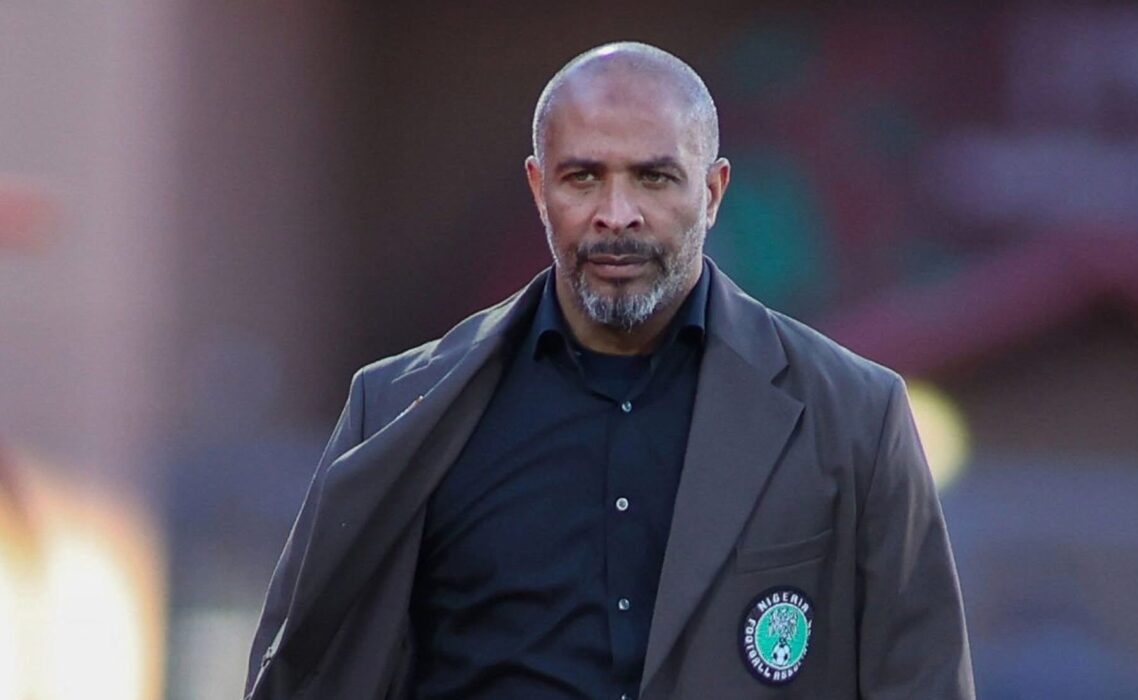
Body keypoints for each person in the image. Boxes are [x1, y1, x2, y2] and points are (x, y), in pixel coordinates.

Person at [245, 41, 974, 700]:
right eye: (583, 177)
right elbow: (302, 669)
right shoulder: (395, 410)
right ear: (539, 189)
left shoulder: (856, 417)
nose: (616, 214)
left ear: (713, 193)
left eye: (654, 178)